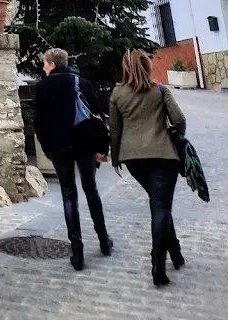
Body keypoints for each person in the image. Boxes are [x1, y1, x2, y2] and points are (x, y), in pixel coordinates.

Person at [109, 49, 186, 287]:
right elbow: (180, 120)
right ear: (148, 66)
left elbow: (115, 129)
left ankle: (175, 252)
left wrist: (115, 158)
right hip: (163, 156)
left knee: (158, 203)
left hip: (134, 160)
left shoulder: (117, 94)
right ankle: (157, 264)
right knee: (161, 206)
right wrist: (176, 135)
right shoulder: (160, 90)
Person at [34, 47, 112, 271]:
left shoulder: (44, 86)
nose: (43, 67)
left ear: (52, 64)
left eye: (45, 63)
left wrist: (48, 149)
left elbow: (39, 122)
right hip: (85, 144)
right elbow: (98, 116)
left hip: (59, 147)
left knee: (69, 195)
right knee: (91, 189)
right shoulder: (82, 83)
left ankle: (77, 250)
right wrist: (101, 148)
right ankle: (104, 239)